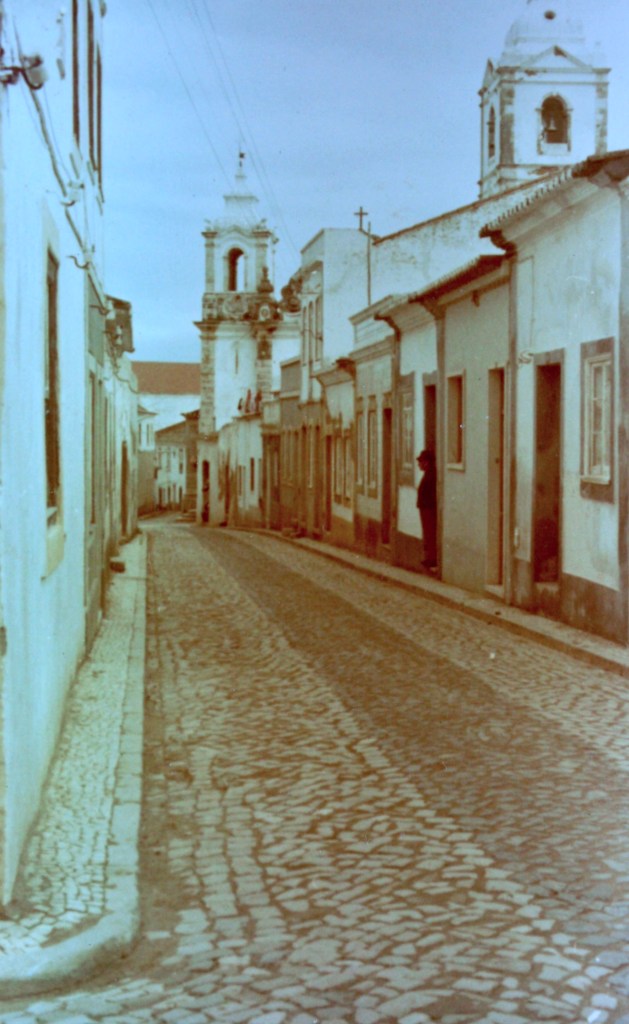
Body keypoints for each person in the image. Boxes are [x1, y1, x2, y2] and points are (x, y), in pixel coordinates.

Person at [416, 450, 437, 570]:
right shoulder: (428, 474)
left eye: (420, 461)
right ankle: (430, 557)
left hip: (428, 509)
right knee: (428, 533)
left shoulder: (431, 475)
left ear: (427, 462)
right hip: (425, 508)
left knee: (429, 533)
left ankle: (432, 558)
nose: (419, 464)